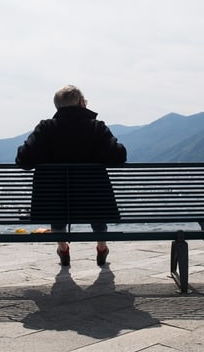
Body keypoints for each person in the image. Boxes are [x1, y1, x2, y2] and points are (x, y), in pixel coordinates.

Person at [16, 85, 127, 266]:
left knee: (56, 207)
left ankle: (63, 248)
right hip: (93, 202)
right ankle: (101, 246)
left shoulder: (45, 128)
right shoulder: (96, 128)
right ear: (82, 103)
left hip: (55, 203)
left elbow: (23, 160)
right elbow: (119, 156)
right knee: (97, 204)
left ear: (57, 107)